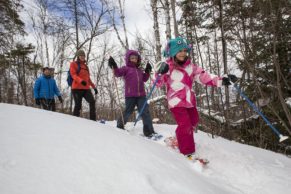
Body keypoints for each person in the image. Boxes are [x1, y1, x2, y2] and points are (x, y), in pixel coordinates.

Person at [155, 37, 237, 158]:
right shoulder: (168, 67)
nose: (183, 53)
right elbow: (158, 83)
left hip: (189, 100)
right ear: (173, 53)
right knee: (185, 125)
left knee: (194, 120)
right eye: (179, 51)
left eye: (184, 50)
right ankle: (187, 151)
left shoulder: (191, 67)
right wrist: (159, 73)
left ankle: (180, 138)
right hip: (176, 102)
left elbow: (204, 77)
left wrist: (222, 81)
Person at [108, 50, 157, 138]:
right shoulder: (126, 68)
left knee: (145, 112)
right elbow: (117, 73)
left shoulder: (139, 70)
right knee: (128, 111)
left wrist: (147, 71)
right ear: (128, 59)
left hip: (141, 95)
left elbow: (145, 79)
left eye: (136, 58)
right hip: (130, 95)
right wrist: (114, 65)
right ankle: (120, 125)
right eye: (132, 58)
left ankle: (149, 131)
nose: (134, 59)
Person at [70, 49, 98, 121]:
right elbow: (73, 75)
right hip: (76, 88)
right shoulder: (73, 64)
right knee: (78, 105)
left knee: (92, 101)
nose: (82, 57)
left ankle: (93, 120)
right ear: (78, 56)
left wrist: (94, 87)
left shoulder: (86, 66)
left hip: (86, 89)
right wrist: (81, 81)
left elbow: (88, 78)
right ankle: (75, 120)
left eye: (83, 56)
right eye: (81, 55)